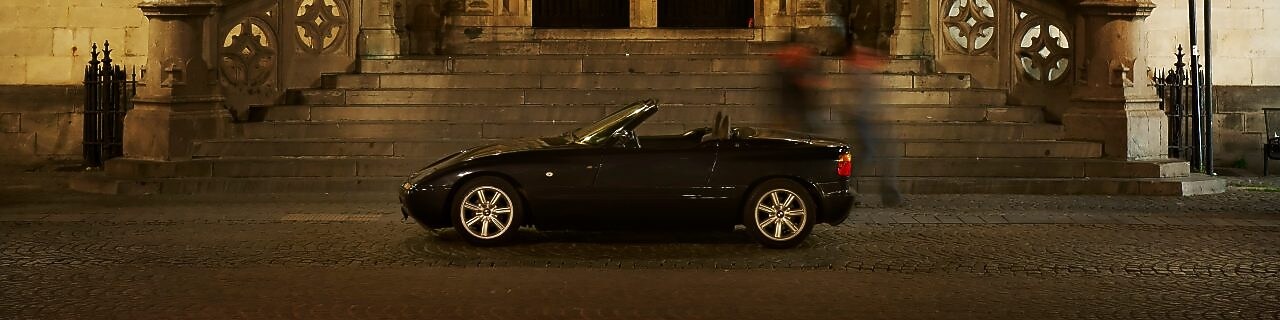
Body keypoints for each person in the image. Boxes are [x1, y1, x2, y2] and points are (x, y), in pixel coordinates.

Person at [840, 44, 902, 207]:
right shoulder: (857, 73)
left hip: (869, 120)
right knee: (867, 154)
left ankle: (889, 195)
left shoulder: (863, 73)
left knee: (881, 155)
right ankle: (845, 187)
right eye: (862, 56)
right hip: (862, 120)